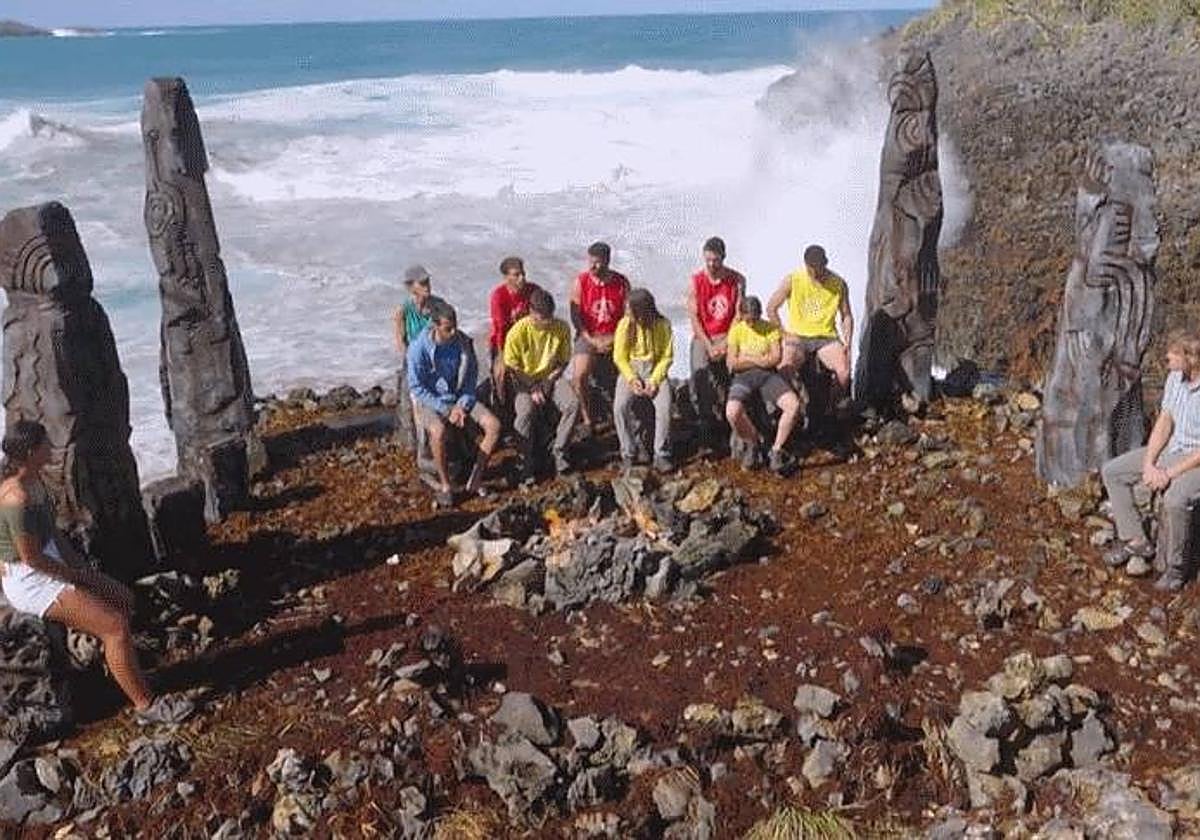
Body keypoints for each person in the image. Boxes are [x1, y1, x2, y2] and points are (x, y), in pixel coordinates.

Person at [0, 421, 192, 724]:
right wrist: (74, 577)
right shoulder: (16, 497)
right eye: (45, 444)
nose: (51, 447)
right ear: (29, 452)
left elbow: (52, 533)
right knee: (114, 627)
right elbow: (31, 558)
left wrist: (81, 568)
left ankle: (123, 673)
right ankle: (147, 706)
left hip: (51, 563)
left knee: (123, 600)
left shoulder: (35, 481)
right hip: (31, 581)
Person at [1101, 331, 1200, 591]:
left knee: (1175, 500)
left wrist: (1169, 473)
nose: (1167, 357)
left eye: (1174, 353)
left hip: (1196, 460)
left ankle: (1176, 569)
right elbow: (1164, 422)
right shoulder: (1174, 379)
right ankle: (1135, 539)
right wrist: (1149, 463)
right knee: (1113, 472)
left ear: (1191, 358)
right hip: (1174, 449)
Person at [407, 301, 502, 506]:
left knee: (493, 426)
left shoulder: (463, 344)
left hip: (459, 398)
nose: (453, 332)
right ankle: (445, 484)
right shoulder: (418, 349)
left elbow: (470, 380)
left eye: (455, 326)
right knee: (438, 431)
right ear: (435, 326)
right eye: (447, 329)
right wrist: (446, 409)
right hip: (432, 401)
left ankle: (475, 479)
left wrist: (461, 404)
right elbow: (416, 387)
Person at [503, 289, 580, 480]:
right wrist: (532, 387)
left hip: (550, 377)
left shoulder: (561, 327)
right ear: (531, 312)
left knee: (573, 404)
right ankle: (524, 464)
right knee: (525, 412)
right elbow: (513, 367)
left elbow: (563, 361)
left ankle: (559, 451)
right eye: (541, 319)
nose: (546, 323)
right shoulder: (518, 332)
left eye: (549, 318)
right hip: (524, 380)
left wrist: (548, 381)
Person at [725, 297, 802, 474]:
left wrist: (747, 358)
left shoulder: (769, 329)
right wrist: (759, 359)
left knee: (793, 405)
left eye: (755, 318)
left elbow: (775, 358)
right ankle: (752, 442)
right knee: (732, 412)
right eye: (748, 319)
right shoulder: (736, 331)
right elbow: (732, 363)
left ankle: (776, 449)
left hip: (768, 377)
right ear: (742, 315)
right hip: (743, 378)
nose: (752, 323)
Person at [766, 244, 853, 397]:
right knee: (784, 367)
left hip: (826, 337)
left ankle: (834, 407)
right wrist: (783, 333)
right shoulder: (793, 280)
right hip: (798, 336)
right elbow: (771, 308)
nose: (814, 273)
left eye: (817, 268)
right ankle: (795, 407)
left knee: (844, 371)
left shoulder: (838, 283)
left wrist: (847, 342)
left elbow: (846, 315)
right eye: (810, 268)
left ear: (825, 264)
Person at [687, 236, 745, 454]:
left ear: (723, 258)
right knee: (700, 373)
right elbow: (694, 317)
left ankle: (736, 425)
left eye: (716, 260)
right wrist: (709, 345)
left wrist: (727, 343)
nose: (712, 264)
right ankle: (705, 430)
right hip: (704, 336)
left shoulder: (736, 280)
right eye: (708, 260)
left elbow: (739, 316)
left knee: (735, 372)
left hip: (728, 334)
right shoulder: (696, 281)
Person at [570, 241, 630, 431]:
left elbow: (629, 316)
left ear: (607, 261)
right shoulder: (581, 282)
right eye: (590, 262)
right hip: (589, 334)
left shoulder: (621, 282)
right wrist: (590, 339)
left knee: (629, 369)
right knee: (579, 375)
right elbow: (576, 316)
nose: (592, 267)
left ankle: (624, 414)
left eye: (597, 263)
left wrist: (615, 338)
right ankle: (587, 418)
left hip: (615, 334)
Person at [612, 288, 674, 472]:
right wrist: (632, 379)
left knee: (665, 406)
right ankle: (628, 452)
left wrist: (654, 381)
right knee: (619, 407)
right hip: (631, 368)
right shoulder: (625, 325)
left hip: (655, 369)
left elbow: (667, 356)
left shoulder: (663, 325)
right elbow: (619, 357)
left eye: (630, 309)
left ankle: (661, 454)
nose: (627, 312)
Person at [488, 256, 542, 402]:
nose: (522, 278)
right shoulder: (498, 296)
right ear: (506, 278)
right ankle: (501, 405)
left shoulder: (533, 290)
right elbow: (500, 328)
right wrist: (501, 355)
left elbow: (544, 314)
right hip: (503, 342)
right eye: (516, 275)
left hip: (529, 340)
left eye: (523, 273)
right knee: (501, 372)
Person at [392, 265, 446, 354]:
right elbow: (401, 342)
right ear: (410, 287)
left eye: (427, 282)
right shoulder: (402, 311)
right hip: (414, 356)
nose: (427, 287)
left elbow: (447, 335)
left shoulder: (440, 305)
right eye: (422, 283)